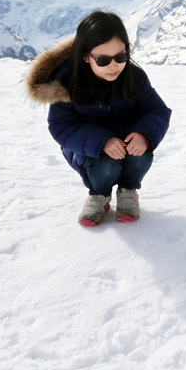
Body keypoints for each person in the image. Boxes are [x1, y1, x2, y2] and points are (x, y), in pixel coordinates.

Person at [25, 11, 171, 226]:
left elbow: (155, 110)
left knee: (141, 156)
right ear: (86, 56)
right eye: (103, 60)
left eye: (120, 57)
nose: (114, 66)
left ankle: (128, 191)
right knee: (105, 166)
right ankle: (99, 195)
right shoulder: (68, 85)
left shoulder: (135, 78)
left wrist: (143, 134)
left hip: (127, 142)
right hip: (88, 151)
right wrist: (102, 142)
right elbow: (62, 126)